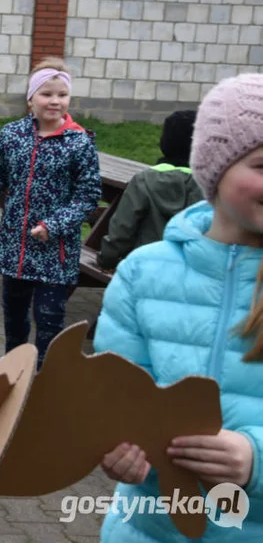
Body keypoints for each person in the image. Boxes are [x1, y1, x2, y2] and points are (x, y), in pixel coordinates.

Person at [94, 73, 263, 542]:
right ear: (214, 167)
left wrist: (256, 460)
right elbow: (115, 397)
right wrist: (118, 448)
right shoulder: (144, 274)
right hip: (147, 530)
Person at [0, 58, 102, 379]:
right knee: (14, 314)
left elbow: (87, 195)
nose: (55, 101)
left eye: (62, 95)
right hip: (15, 245)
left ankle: (43, 378)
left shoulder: (79, 142)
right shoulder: (12, 135)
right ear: (31, 99)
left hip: (55, 252)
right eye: (46, 94)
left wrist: (53, 225)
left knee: (49, 318)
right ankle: (12, 368)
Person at [97, 109, 202, 271]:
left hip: (144, 267)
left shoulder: (144, 180)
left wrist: (107, 258)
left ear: (164, 142)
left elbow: (123, 227)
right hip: (189, 270)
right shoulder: (208, 186)